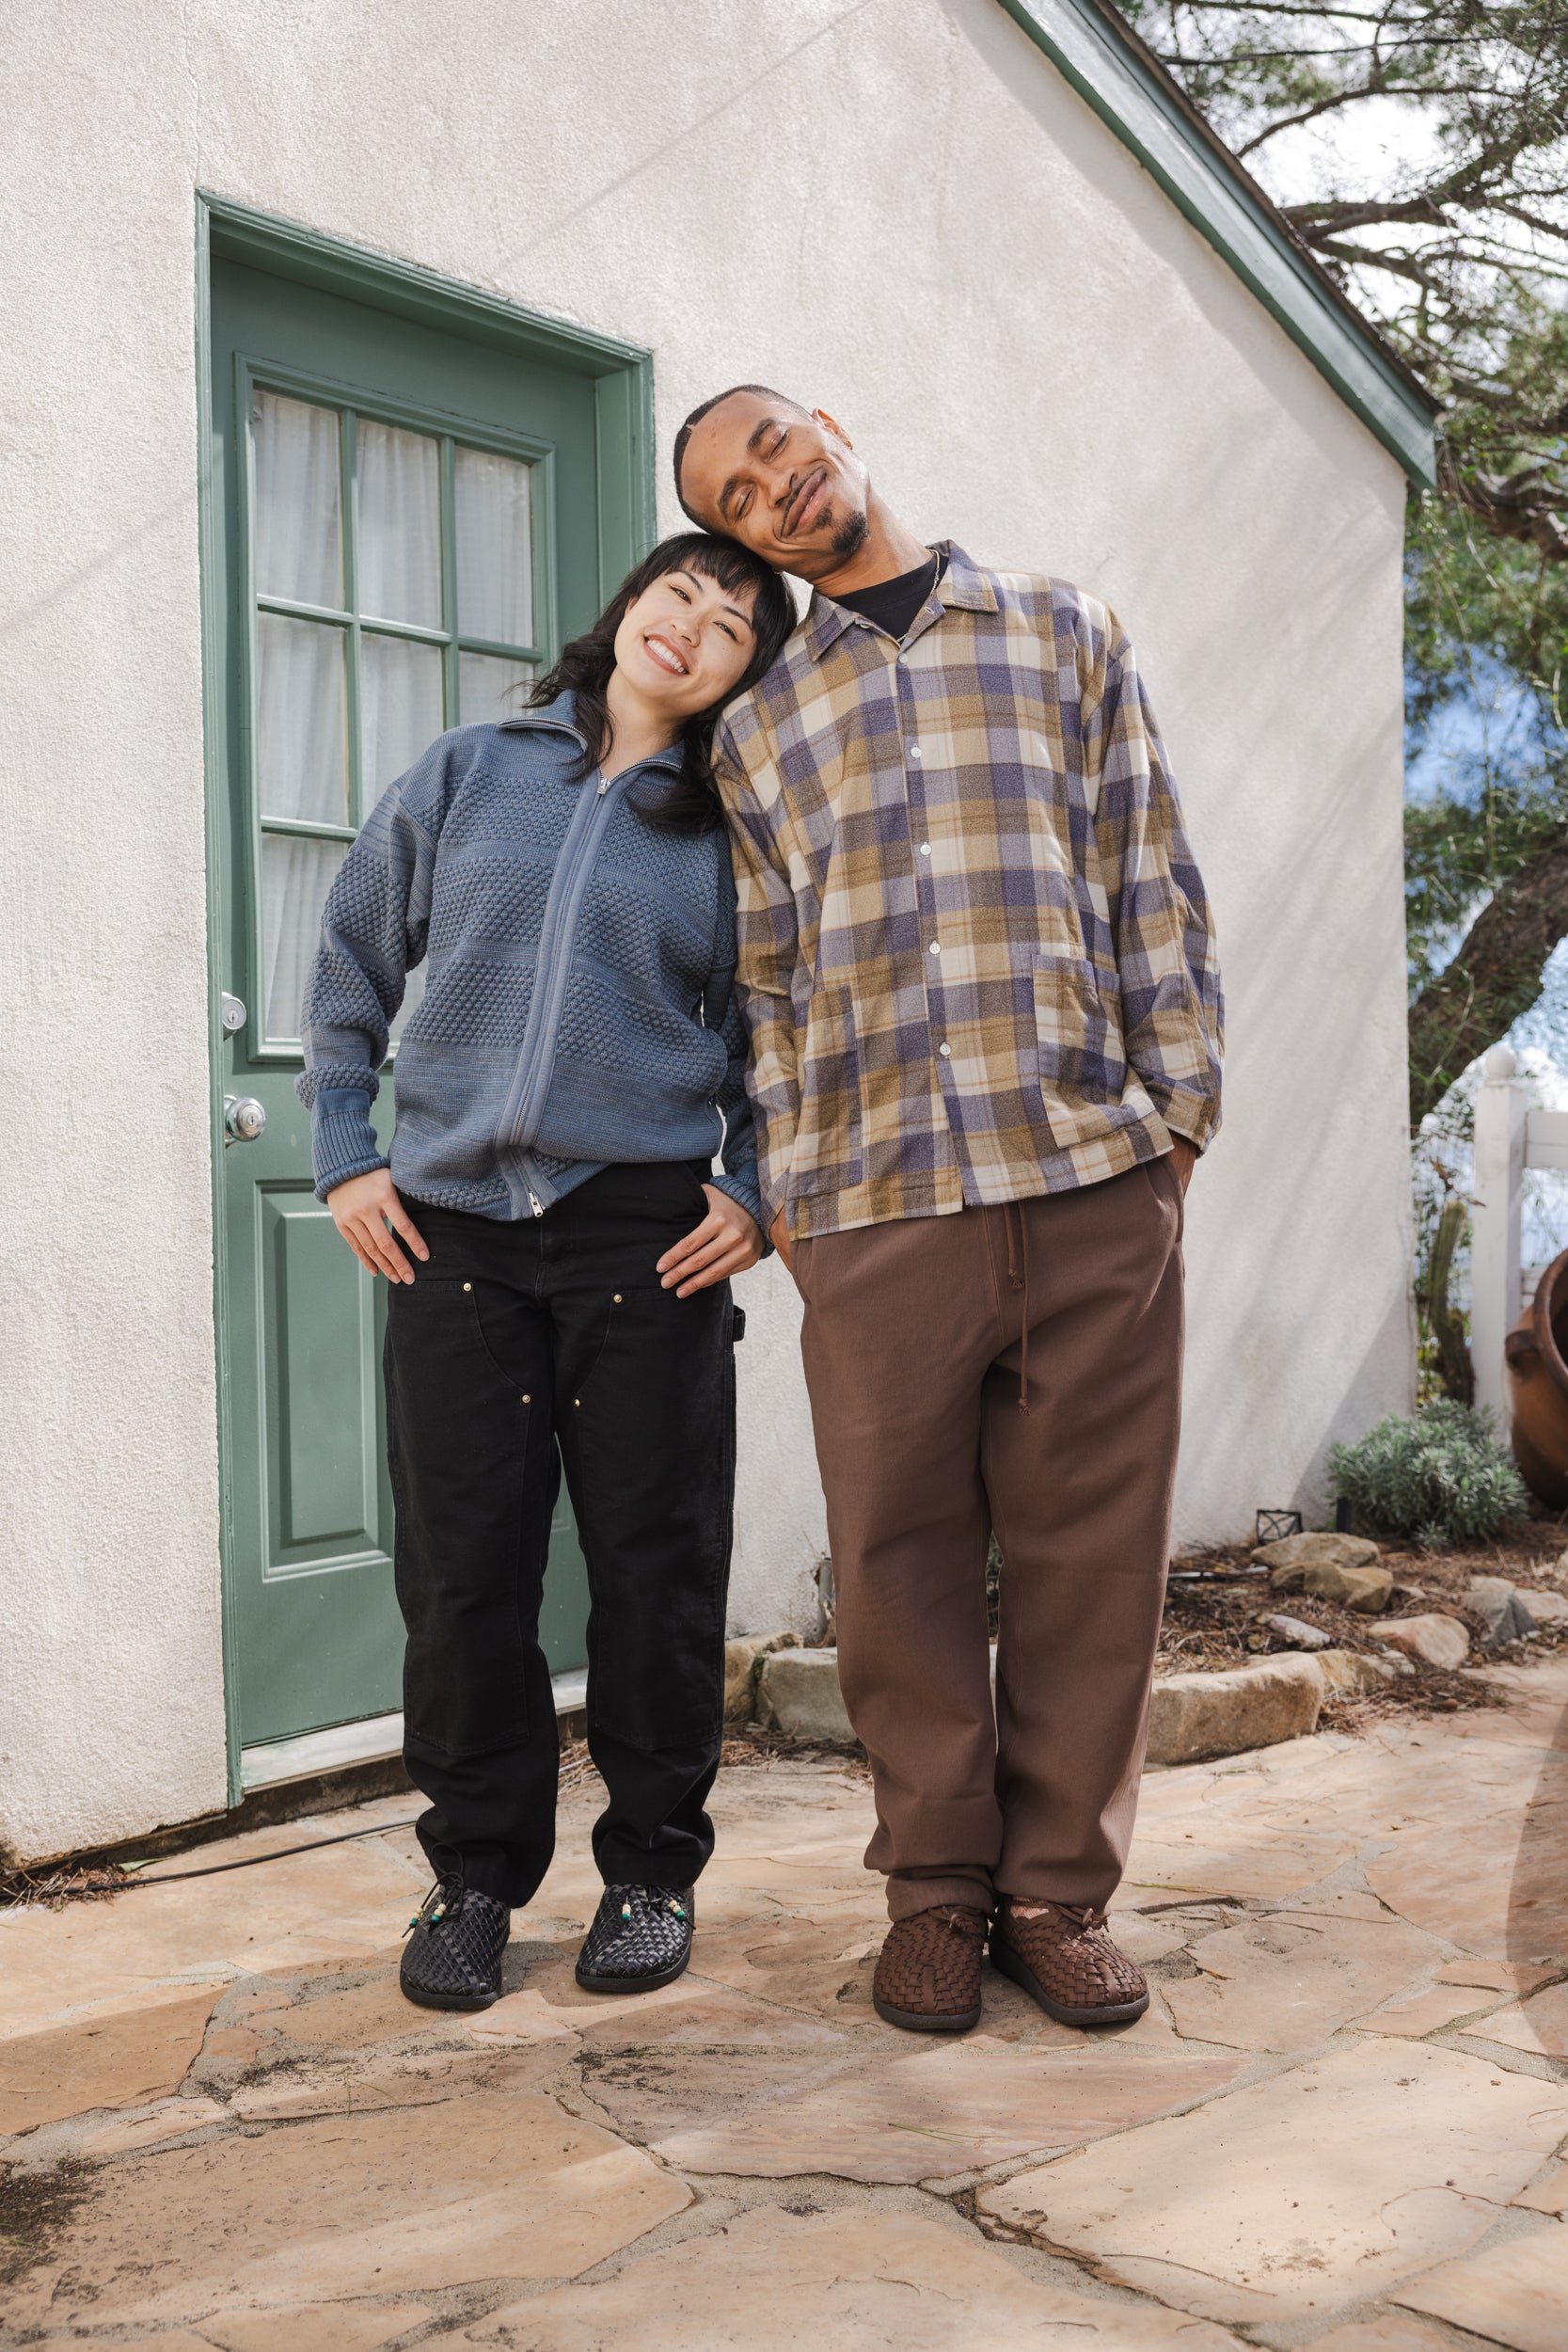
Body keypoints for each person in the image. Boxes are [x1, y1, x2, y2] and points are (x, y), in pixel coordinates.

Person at [674, 388, 1223, 2034]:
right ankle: (932, 1893)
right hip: (873, 1198)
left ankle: (1058, 1897)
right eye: (737, 495)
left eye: (780, 447)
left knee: (1091, 1561)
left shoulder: (1064, 628)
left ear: (833, 431)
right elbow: (766, 980)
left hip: (1086, 1182)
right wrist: (790, 1191)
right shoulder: (759, 726)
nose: (777, 488)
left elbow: (1149, 871)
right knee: (895, 1558)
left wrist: (1174, 1125)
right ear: (740, 537)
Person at [297, 532, 794, 2012]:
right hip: (453, 1232)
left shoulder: (734, 829)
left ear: (747, 673)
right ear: (630, 605)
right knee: (464, 1577)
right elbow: (350, 961)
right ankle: (471, 1880)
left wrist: (756, 1193)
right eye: (679, 593)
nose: (694, 625)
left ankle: (649, 1870)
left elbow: (783, 1031)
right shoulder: (472, 770)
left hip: (643, 1232)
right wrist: (344, 1145)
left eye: (732, 622)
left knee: (654, 1565)